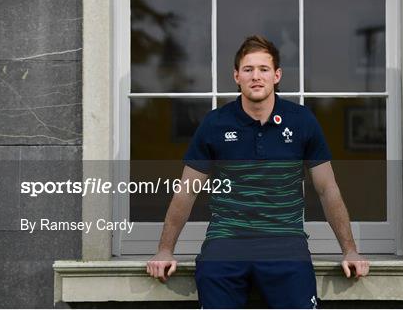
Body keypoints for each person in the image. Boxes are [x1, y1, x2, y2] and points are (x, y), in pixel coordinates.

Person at [147, 35, 370, 308]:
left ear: (276, 75)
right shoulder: (215, 123)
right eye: (248, 69)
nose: (256, 76)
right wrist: (165, 250)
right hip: (226, 241)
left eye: (263, 69)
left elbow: (327, 189)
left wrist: (350, 251)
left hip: (285, 242)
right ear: (236, 76)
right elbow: (187, 191)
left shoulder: (302, 121)